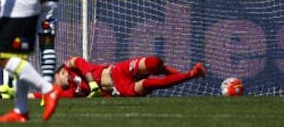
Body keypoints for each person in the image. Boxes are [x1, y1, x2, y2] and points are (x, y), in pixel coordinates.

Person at [30, 55, 206, 98]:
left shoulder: (71, 64)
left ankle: (180, 72)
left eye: (56, 78)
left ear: (61, 72)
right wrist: (26, 95)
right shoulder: (72, 92)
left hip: (117, 72)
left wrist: (92, 84)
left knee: (153, 62)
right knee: (152, 84)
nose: (56, 83)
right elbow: (51, 95)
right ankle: (192, 74)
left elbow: (83, 64)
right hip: (119, 89)